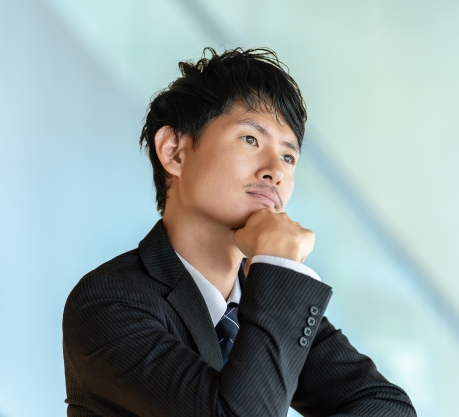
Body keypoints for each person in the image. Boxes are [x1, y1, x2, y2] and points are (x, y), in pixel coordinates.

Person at [62, 47, 416, 417]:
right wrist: (279, 264)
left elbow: (389, 408)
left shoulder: (262, 298)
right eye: (251, 139)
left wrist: (274, 274)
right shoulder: (107, 302)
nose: (275, 171)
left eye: (289, 156)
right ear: (175, 152)